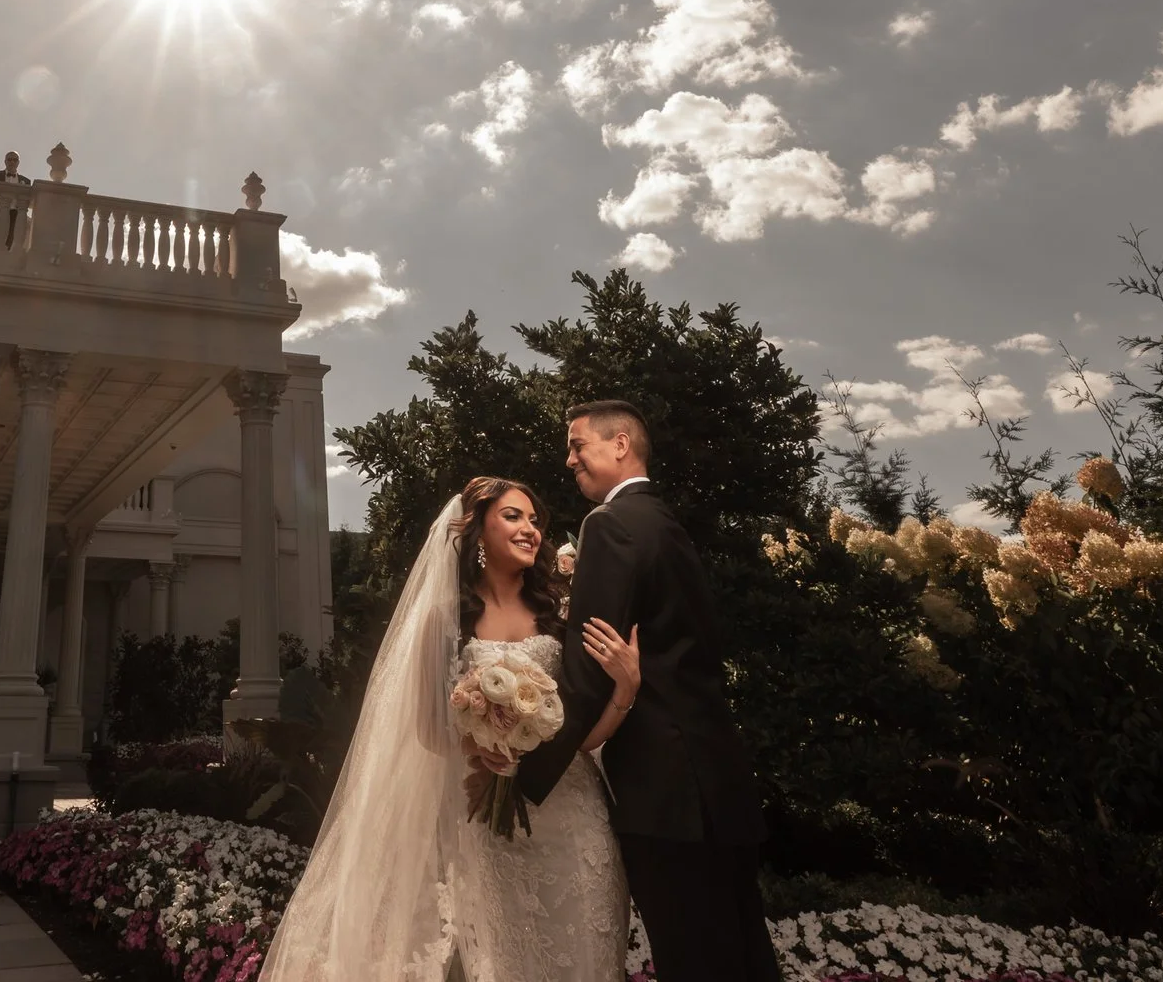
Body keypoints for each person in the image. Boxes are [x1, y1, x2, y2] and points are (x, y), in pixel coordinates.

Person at [257, 476, 640, 982]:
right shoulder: (445, 622)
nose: (531, 529)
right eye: (513, 516)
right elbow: (427, 731)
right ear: (478, 532)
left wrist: (625, 690)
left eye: (534, 520)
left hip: (575, 818)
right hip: (490, 825)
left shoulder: (557, 617)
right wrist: (482, 748)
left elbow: (583, 737)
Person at [516, 399, 779, 982]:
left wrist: (522, 774)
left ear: (620, 445)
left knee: (694, 959)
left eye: (577, 445)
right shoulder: (662, 520)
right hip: (714, 779)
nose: (568, 460)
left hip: (666, 794)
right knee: (742, 954)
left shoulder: (609, 525)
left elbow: (589, 668)